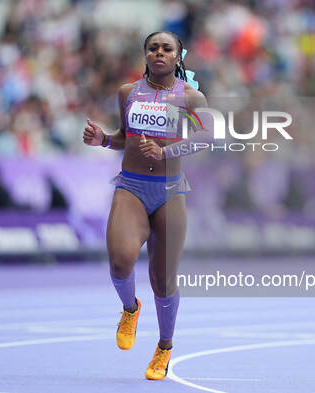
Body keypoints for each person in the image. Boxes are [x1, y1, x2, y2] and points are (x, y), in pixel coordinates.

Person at [83, 31, 209, 380]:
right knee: (121, 260)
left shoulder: (191, 96)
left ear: (177, 57)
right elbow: (124, 138)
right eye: (153, 47)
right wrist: (104, 139)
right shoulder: (128, 92)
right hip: (132, 188)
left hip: (169, 191)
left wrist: (167, 152)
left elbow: (209, 136)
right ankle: (129, 308)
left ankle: (164, 348)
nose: (159, 52)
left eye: (167, 48)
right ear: (145, 54)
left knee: (163, 279)